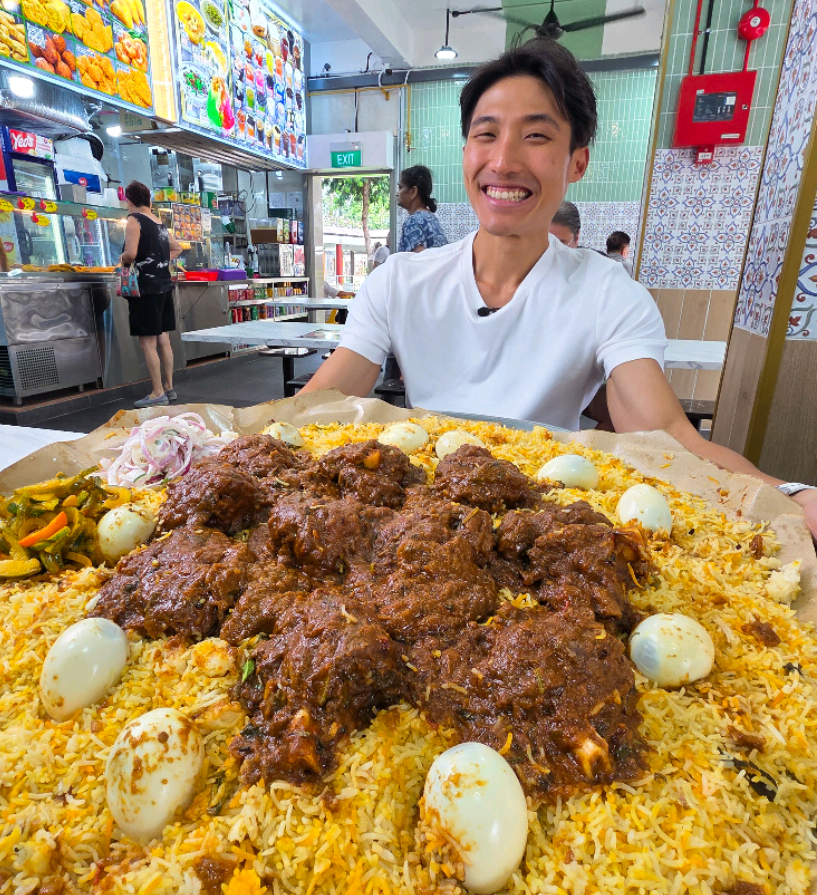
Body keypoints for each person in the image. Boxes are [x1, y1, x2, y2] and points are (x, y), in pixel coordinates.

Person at [302, 39, 817, 535]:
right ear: (466, 152)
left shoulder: (609, 294)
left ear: (577, 161)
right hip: (418, 519)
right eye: (486, 134)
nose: (503, 161)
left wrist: (792, 495)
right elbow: (318, 406)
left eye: (536, 136)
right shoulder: (398, 281)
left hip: (549, 527)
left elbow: (670, 439)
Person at [121, 180, 185, 408]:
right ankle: (169, 387)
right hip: (164, 286)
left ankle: (157, 392)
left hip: (145, 289)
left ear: (129, 201)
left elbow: (130, 253)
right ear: (149, 199)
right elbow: (177, 248)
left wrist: (122, 260)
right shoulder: (158, 221)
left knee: (147, 342)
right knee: (163, 340)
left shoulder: (134, 220)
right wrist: (160, 261)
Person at [397, 166, 448, 253]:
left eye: (400, 188)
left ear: (413, 192)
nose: (397, 193)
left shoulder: (412, 222)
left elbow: (420, 261)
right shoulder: (432, 219)